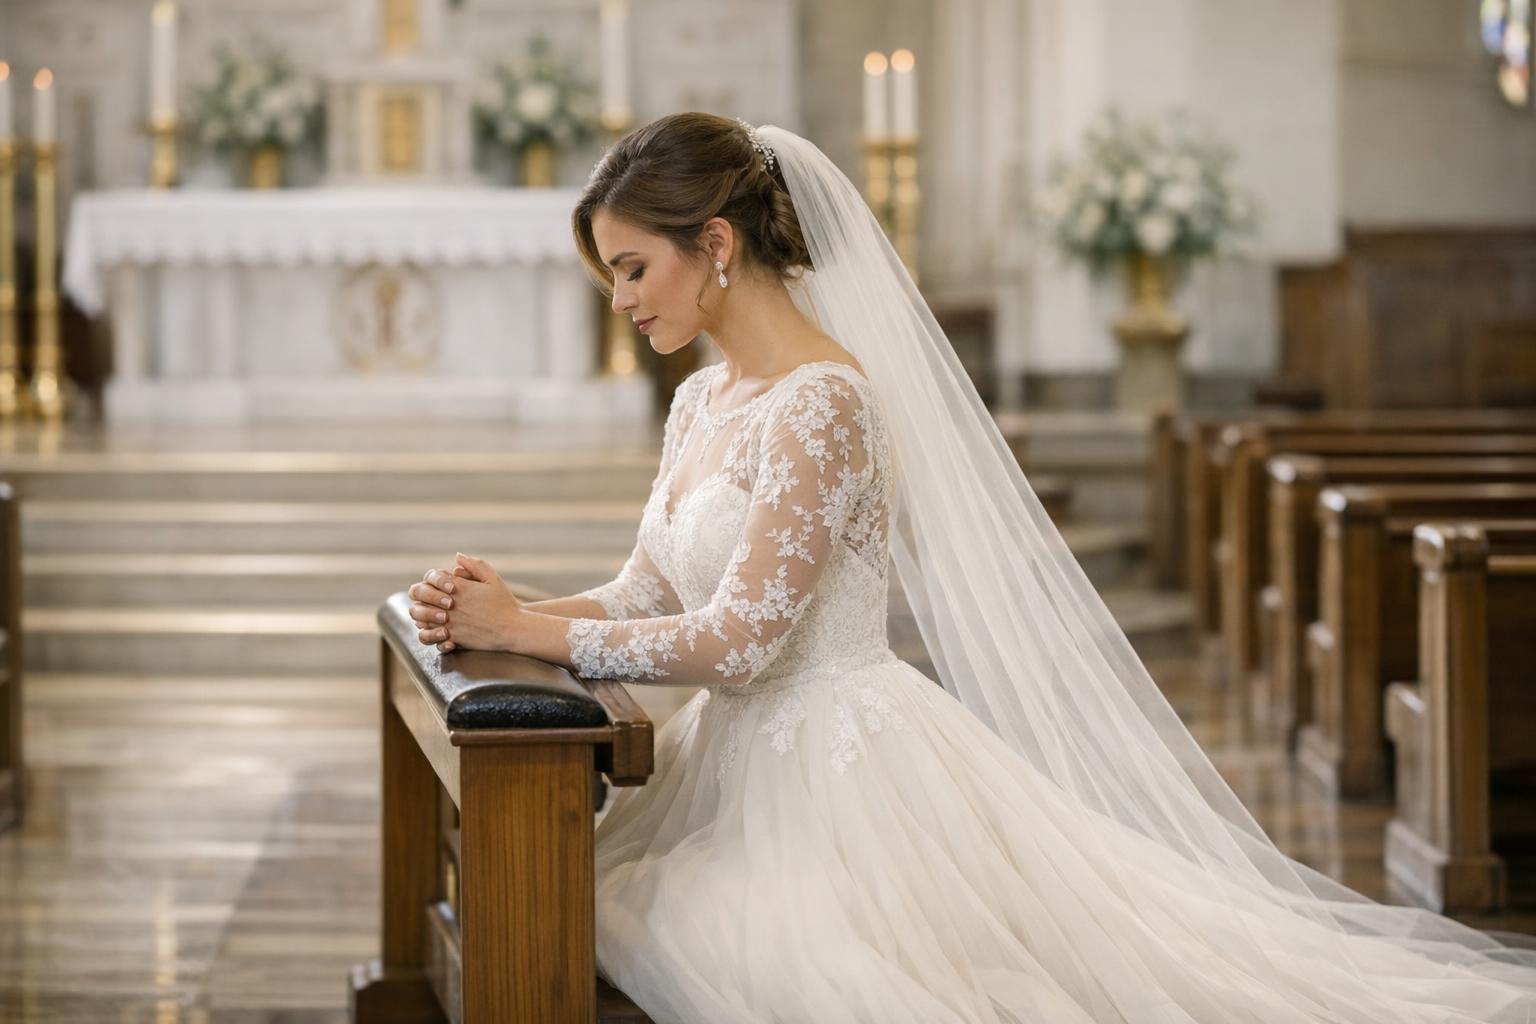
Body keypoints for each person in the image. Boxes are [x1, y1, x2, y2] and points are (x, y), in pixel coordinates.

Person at [406, 112, 1536, 1022]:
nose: (622, 299)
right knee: (580, 905)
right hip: (730, 772)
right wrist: (498, 612)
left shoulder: (826, 402)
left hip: (839, 775)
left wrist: (531, 630)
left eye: (633, 266)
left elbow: (742, 641)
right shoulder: (704, 398)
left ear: (716, 245)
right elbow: (649, 592)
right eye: (612, 274)